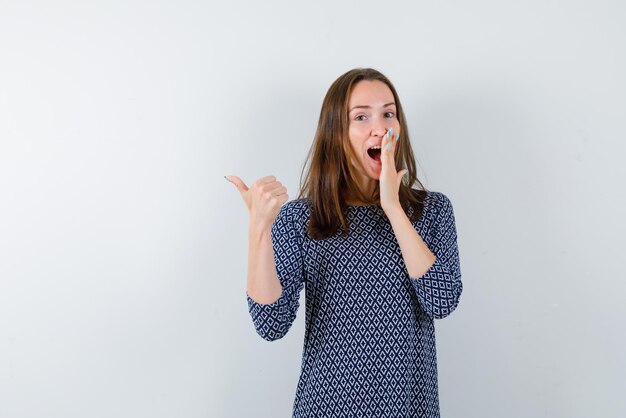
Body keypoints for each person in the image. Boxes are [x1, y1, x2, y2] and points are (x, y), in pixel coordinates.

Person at [226, 68, 463, 418]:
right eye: (362, 116)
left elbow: (442, 301)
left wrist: (394, 207)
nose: (380, 127)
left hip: (409, 409)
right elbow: (271, 323)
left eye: (388, 113)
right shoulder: (299, 219)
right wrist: (258, 229)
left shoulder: (432, 210)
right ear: (337, 133)